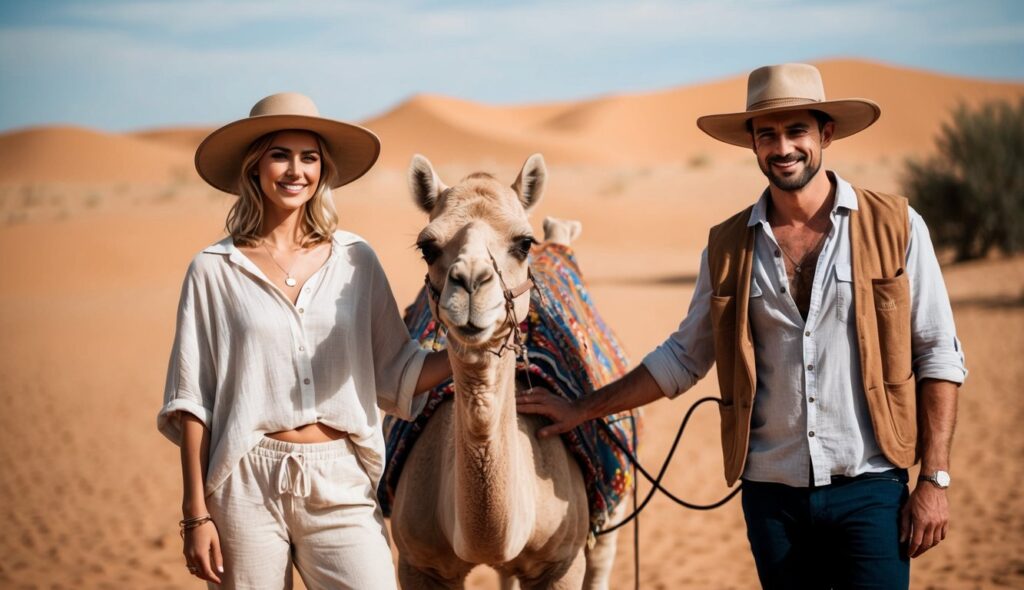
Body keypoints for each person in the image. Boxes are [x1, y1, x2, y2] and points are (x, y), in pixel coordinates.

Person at [516, 63, 966, 589]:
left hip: (870, 489)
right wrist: (581, 409)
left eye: (797, 131)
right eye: (767, 135)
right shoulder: (729, 246)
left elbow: (937, 352)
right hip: (772, 499)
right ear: (752, 144)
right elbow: (684, 357)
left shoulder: (896, 226)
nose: (783, 148)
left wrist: (934, 480)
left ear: (826, 133)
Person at [156, 92, 451, 589]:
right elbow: (192, 400)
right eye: (280, 155)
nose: (296, 171)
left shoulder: (356, 260)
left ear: (323, 170)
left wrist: (471, 353)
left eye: (309, 158)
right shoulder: (212, 269)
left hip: (339, 479)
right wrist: (195, 514)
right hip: (246, 482)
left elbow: (397, 368)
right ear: (255, 167)